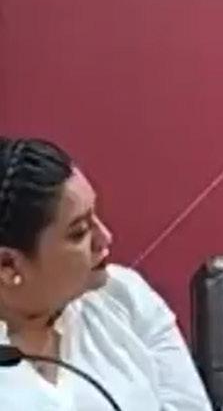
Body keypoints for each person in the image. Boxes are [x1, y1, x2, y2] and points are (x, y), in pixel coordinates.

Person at [0, 137, 211, 411]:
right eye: (79, 232)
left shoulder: (124, 296)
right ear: (7, 265)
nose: (105, 238)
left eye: (95, 216)